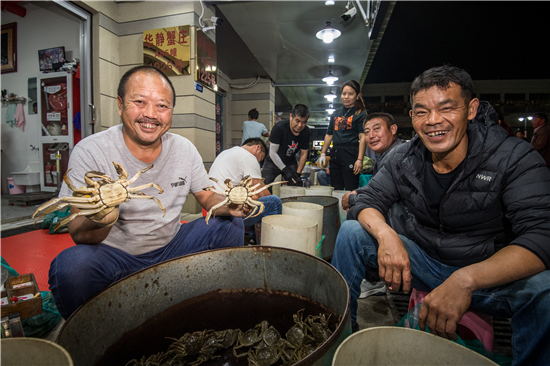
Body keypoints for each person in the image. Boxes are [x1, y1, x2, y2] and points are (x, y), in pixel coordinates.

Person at [332, 65, 550, 365]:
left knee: (545, 290)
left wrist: (466, 280)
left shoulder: (513, 156)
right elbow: (368, 200)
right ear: (412, 118)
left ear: (471, 109)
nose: (434, 121)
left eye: (446, 108)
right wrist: (387, 236)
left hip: (486, 274)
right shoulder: (405, 157)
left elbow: (541, 235)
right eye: (422, 112)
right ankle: (339, 342)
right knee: (352, 233)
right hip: (422, 262)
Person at [49, 65, 249, 319]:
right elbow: (77, 231)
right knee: (71, 267)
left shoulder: (184, 149)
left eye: (162, 106)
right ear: (120, 105)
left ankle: (219, 308)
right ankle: (98, 338)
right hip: (117, 258)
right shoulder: (91, 151)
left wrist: (230, 203)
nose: (151, 114)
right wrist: (103, 216)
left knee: (230, 224)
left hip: (173, 247)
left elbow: (208, 197)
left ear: (171, 111)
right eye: (140, 102)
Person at [340, 112, 404, 298]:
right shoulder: (385, 156)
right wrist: (357, 194)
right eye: (367, 132)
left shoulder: (398, 155)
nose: (371, 135)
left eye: (377, 129)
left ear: (393, 130)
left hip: (401, 227)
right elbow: (377, 188)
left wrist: (353, 199)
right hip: (399, 221)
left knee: (351, 229)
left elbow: (385, 199)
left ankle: (374, 279)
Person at [208, 137, 282, 244]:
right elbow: (261, 191)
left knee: (253, 201)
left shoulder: (225, 153)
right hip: (228, 213)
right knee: (274, 203)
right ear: (257, 147)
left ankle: (252, 238)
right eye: (260, 159)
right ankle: (268, 250)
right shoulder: (249, 157)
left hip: (212, 208)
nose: (258, 162)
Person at [318, 80, 367, 191]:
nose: (346, 97)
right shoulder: (336, 113)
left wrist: (360, 160)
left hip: (350, 152)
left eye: (350, 94)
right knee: (336, 188)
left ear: (357, 96)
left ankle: (351, 208)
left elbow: (362, 137)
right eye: (344, 93)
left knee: (350, 188)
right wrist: (323, 153)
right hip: (335, 153)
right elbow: (329, 134)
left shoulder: (360, 113)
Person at [261, 104, 311, 188]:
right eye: (297, 121)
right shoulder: (279, 128)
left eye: (304, 122)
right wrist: (285, 170)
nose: (300, 125)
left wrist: (298, 174)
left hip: (290, 161)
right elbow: (272, 153)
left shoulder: (306, 132)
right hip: (273, 161)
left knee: (296, 185)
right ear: (291, 116)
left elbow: (304, 154)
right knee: (264, 186)